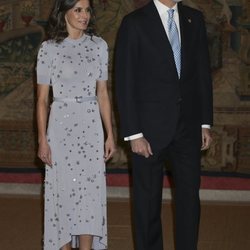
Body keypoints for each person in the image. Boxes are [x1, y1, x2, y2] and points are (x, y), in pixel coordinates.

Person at [115, 0, 213, 250]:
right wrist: (133, 133)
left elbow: (202, 72)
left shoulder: (195, 19)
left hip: (189, 129)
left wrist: (204, 122)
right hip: (147, 132)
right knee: (147, 204)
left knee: (189, 201)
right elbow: (125, 81)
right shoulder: (134, 23)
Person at [36, 0, 116, 249]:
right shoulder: (48, 49)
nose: (84, 16)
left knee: (88, 196)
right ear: (64, 13)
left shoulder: (99, 46)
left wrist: (109, 134)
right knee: (63, 195)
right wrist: (42, 139)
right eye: (78, 10)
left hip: (90, 126)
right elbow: (41, 101)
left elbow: (103, 93)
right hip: (60, 127)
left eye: (87, 10)